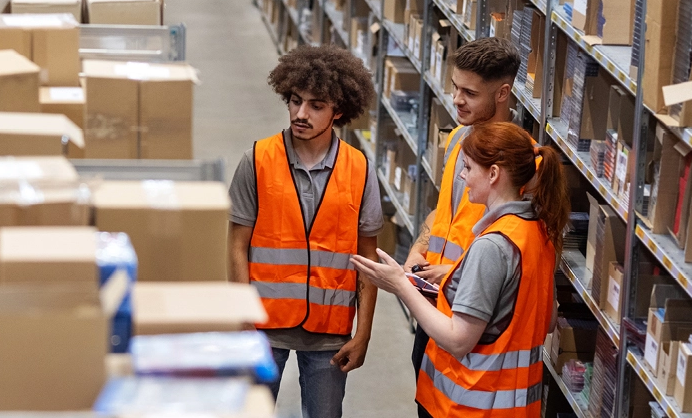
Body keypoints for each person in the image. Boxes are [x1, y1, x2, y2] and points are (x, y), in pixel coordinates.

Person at [351, 122, 568, 418]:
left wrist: (400, 284)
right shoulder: (538, 231)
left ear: (493, 174)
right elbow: (548, 319)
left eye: (467, 167)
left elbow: (458, 339)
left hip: (470, 407)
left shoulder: (492, 246)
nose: (462, 176)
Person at [227, 45, 382, 418]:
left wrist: (363, 334)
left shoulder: (359, 169)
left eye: (316, 105)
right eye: (295, 101)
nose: (301, 113)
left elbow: (368, 258)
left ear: (338, 111)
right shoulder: (258, 159)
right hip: (264, 326)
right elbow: (236, 247)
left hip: (329, 330)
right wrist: (244, 319)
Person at [403, 38, 522, 401]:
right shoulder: (457, 140)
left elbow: (512, 244)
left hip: (471, 314)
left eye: (469, 92)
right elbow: (443, 210)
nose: (456, 99)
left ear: (502, 93)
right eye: (456, 87)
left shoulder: (521, 164)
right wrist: (416, 252)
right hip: (432, 299)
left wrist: (454, 272)